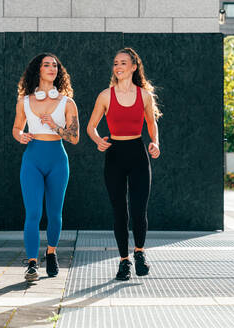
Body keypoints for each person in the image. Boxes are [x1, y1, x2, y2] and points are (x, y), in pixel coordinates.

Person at [87, 48, 161, 281]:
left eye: (123, 63)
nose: (118, 67)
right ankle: (123, 262)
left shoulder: (145, 96)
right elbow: (91, 127)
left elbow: (151, 124)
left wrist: (155, 142)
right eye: (115, 63)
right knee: (120, 212)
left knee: (139, 210)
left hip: (138, 153)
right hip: (115, 155)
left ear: (133, 67)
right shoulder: (105, 96)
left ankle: (139, 253)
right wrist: (98, 140)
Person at [12, 53, 79, 282]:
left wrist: (54, 125)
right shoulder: (24, 101)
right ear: (37, 70)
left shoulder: (67, 103)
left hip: (57, 161)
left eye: (55, 65)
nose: (52, 68)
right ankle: (32, 263)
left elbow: (75, 138)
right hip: (32, 160)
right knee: (33, 213)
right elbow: (16, 128)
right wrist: (20, 135)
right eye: (46, 64)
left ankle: (51, 252)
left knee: (54, 213)